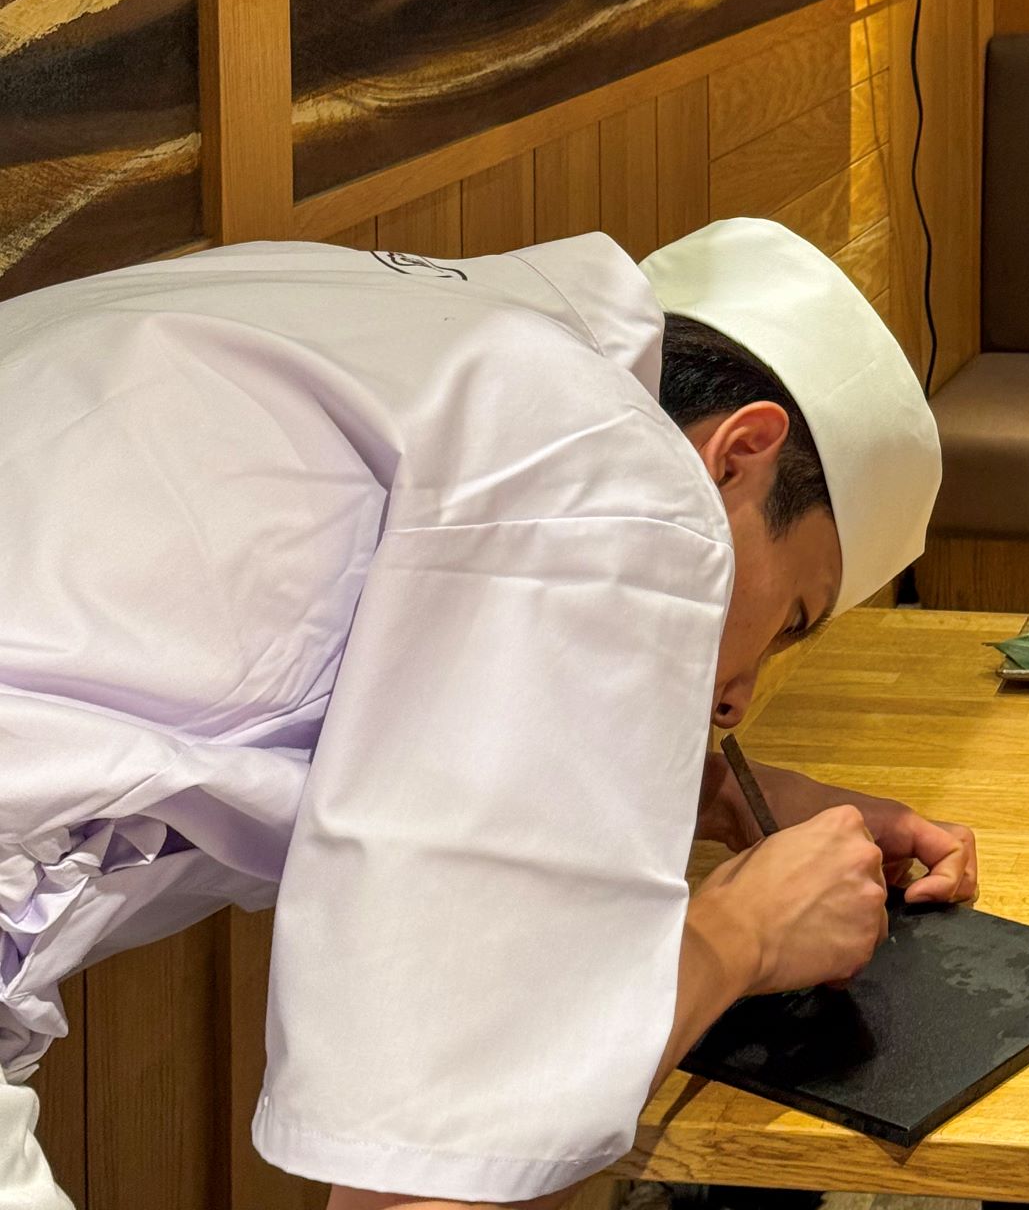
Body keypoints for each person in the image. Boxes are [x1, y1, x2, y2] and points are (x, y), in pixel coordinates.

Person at [0, 218, 966, 1208]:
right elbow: (428, 1185)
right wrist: (741, 938)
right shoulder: (619, 475)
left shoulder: (391, 322)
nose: (738, 694)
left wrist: (704, 792)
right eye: (789, 619)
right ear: (738, 455)